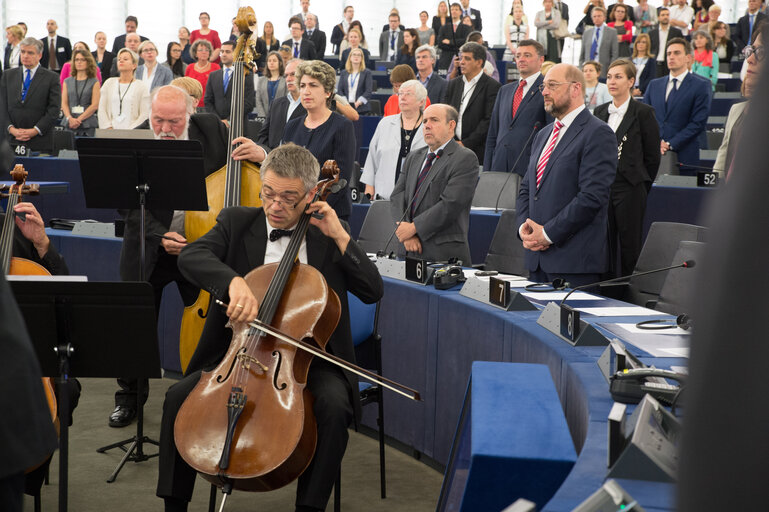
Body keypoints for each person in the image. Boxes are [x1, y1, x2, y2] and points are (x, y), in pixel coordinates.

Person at [156, 141, 383, 512]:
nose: (275, 205)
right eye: (268, 193)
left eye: (289, 197)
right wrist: (233, 282)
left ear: (311, 194)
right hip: (238, 352)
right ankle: (174, 505)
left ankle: (310, 507)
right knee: (176, 399)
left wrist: (340, 236)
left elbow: (373, 291)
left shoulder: (326, 236)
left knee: (334, 406)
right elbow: (194, 256)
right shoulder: (237, 221)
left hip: (312, 359)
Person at [111, 84, 267, 428]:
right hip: (149, 247)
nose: (165, 129)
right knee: (135, 327)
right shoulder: (137, 139)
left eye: (174, 122)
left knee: (207, 325)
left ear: (189, 114)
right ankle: (129, 399)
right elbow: (126, 203)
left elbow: (239, 165)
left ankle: (202, 392)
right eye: (158, 120)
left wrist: (261, 154)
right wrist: (158, 234)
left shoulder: (210, 128)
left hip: (197, 248)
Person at [515, 63, 617, 286]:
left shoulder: (598, 133)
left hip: (573, 263)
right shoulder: (542, 134)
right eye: (543, 86)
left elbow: (592, 197)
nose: (544, 91)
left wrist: (548, 234)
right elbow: (527, 189)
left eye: (552, 85)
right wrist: (525, 228)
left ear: (575, 89)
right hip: (536, 261)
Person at [594, 59, 660, 276]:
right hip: (603, 188)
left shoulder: (643, 112)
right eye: (610, 76)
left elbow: (652, 157)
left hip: (630, 187)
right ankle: (604, 288)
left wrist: (640, 185)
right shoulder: (599, 112)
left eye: (618, 76)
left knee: (629, 244)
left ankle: (628, 291)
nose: (612, 81)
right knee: (603, 242)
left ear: (631, 81)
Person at [390, 104, 478, 264]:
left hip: (443, 254)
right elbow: (397, 195)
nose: (427, 126)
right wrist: (405, 233)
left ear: (451, 125)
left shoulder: (465, 158)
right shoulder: (413, 157)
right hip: (408, 250)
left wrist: (413, 228)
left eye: (434, 120)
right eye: (424, 121)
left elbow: (450, 204)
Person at [282, 60, 355, 221]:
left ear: (328, 92)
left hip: (329, 214)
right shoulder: (292, 126)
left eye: (313, 85)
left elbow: (340, 181)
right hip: (292, 211)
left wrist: (312, 210)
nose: (306, 91)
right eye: (302, 86)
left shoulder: (342, 126)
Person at [642, 37, 711, 171]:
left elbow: (698, 122)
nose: (671, 57)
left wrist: (669, 144)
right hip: (654, 155)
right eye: (668, 54)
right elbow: (645, 119)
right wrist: (656, 143)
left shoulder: (701, 85)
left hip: (686, 155)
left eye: (677, 53)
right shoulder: (654, 85)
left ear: (688, 58)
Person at [485, 39, 551, 176]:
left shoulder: (547, 90)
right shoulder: (505, 90)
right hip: (499, 167)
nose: (521, 59)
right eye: (518, 55)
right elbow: (493, 133)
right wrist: (487, 170)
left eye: (527, 55)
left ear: (541, 60)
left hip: (529, 169)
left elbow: (550, 134)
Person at [362, 80, 427, 200]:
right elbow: (372, 156)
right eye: (400, 93)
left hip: (418, 196)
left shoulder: (429, 126)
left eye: (408, 94)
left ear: (421, 101)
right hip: (385, 194)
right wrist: (369, 186)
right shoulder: (385, 123)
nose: (402, 97)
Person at [715, 28, 763, 179]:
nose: (749, 59)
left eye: (760, 52)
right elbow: (723, 155)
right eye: (751, 50)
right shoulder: (737, 110)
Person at [444, 42, 502, 166]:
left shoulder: (492, 86)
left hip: (477, 152)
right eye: (461, 58)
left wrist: (466, 143)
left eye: (467, 58)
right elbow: (446, 113)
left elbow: (489, 120)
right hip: (451, 147)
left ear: (479, 62)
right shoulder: (453, 84)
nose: (462, 62)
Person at [0, 37, 60, 152]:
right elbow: (2, 106)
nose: (25, 56)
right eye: (23, 52)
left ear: (39, 55)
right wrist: (11, 129)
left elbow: (54, 109)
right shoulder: (8, 75)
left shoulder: (51, 78)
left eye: (30, 53)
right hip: (11, 140)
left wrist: (35, 130)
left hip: (39, 141)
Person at [257, 58, 305, 151]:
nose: (288, 79)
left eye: (293, 74)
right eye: (286, 75)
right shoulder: (276, 104)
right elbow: (263, 136)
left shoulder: (311, 105)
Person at [204, 40, 255, 125]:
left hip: (238, 125)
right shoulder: (213, 75)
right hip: (217, 125)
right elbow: (208, 101)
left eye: (227, 52)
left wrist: (229, 120)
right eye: (222, 51)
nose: (223, 54)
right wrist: (218, 120)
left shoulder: (246, 75)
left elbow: (248, 103)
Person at [98, 48, 150, 130]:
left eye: (125, 59)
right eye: (119, 59)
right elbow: (102, 109)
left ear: (134, 65)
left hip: (133, 133)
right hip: (110, 133)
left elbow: (145, 113)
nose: (121, 61)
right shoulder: (109, 83)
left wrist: (130, 130)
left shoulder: (141, 86)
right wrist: (108, 127)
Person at [61, 49, 100, 137]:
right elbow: (64, 103)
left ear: (88, 62)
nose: (79, 62)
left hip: (87, 124)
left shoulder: (94, 82)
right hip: (69, 123)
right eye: (77, 60)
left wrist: (79, 119)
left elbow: (94, 105)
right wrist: (70, 118)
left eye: (82, 60)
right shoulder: (67, 81)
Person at [580, 7, 619, 78]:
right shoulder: (587, 33)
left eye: (599, 16)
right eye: (594, 16)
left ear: (604, 17)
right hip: (588, 71)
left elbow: (615, 54)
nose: (596, 18)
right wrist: (581, 69)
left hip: (604, 70)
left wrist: (611, 70)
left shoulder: (612, 32)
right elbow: (582, 54)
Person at [184, 39, 219, 108]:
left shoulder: (215, 67)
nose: (204, 52)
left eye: (206, 50)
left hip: (210, 106)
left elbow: (218, 89)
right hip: (192, 105)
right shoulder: (190, 67)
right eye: (201, 50)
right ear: (195, 53)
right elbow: (186, 88)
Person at [437, 2, 472, 70]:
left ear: (460, 12)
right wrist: (457, 45)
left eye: (456, 9)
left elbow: (465, 41)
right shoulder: (443, 27)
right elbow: (440, 43)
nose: (454, 11)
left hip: (461, 59)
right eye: (452, 9)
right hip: (445, 60)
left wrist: (450, 42)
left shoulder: (466, 28)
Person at [337, 48, 373, 115]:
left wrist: (359, 102)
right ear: (350, 58)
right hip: (346, 107)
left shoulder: (367, 73)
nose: (356, 56)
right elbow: (340, 90)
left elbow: (368, 91)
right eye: (354, 55)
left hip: (362, 108)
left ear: (362, 58)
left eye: (359, 55)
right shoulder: (344, 72)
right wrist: (345, 103)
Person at [650, 7, 683, 76]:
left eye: (667, 15)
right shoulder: (652, 33)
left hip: (670, 64)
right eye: (663, 15)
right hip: (655, 64)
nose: (665, 17)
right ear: (658, 17)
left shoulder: (677, 32)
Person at [255, 51, 286, 119]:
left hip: (281, 116)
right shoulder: (261, 80)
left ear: (280, 63)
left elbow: (287, 99)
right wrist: (262, 115)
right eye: (269, 61)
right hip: (264, 117)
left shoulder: (285, 80)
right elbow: (258, 99)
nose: (271, 63)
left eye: (274, 61)